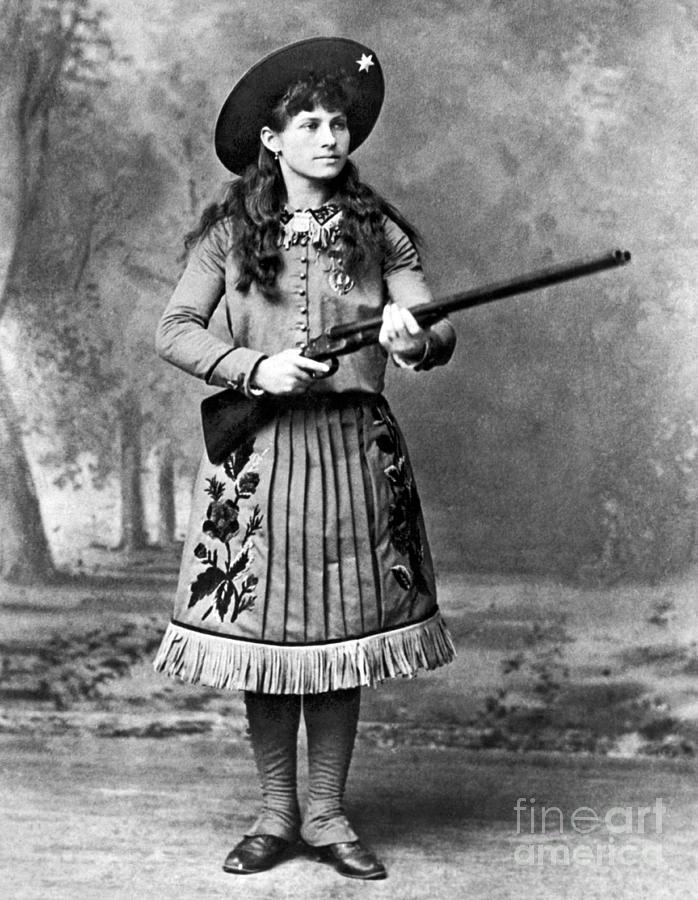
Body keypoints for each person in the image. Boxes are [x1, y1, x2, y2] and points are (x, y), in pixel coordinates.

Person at [153, 37, 456, 881]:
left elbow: (440, 331)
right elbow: (174, 331)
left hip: (354, 457)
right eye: (310, 124)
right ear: (273, 141)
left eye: (339, 123)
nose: (330, 136)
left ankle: (326, 816)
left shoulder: (380, 232)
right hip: (258, 459)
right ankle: (274, 813)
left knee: (338, 635)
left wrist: (413, 338)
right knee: (268, 635)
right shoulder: (228, 233)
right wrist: (255, 368)